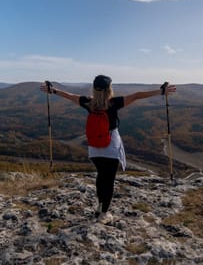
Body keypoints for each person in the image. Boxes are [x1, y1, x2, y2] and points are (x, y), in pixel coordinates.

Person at [40, 75, 176, 223]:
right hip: (111, 145)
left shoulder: (89, 103)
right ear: (109, 89)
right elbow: (137, 96)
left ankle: (100, 206)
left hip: (94, 147)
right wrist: (161, 92)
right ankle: (104, 214)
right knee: (109, 179)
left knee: (101, 175)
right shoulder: (114, 103)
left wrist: (52, 90)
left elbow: (70, 96)